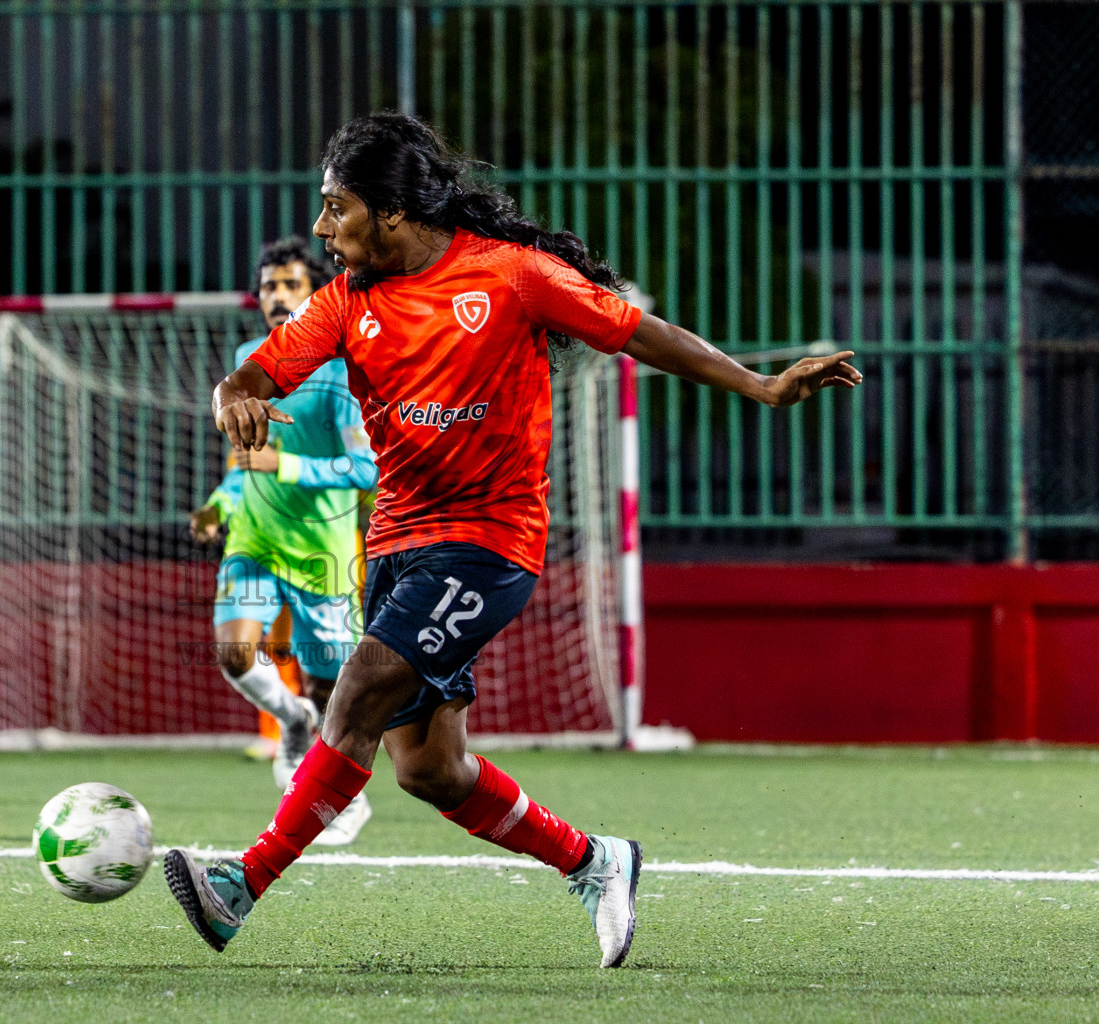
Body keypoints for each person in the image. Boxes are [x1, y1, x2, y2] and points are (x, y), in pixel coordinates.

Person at [165, 114, 861, 967]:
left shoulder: (512, 276)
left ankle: (241, 886)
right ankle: (596, 862)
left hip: (489, 544)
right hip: (397, 545)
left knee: (357, 691)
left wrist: (759, 386)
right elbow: (253, 374)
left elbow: (639, 332)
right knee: (429, 769)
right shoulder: (346, 301)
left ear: (388, 212)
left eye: (334, 207)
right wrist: (230, 397)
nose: (321, 228)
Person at [189, 236, 379, 845]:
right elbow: (245, 462)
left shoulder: (349, 366)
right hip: (254, 538)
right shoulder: (251, 360)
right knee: (234, 652)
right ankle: (287, 718)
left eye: (289, 285)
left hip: (322, 550)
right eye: (268, 285)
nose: (275, 296)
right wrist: (219, 506)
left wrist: (288, 468)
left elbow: (367, 470)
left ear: (318, 292)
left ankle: (335, 796)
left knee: (333, 690)